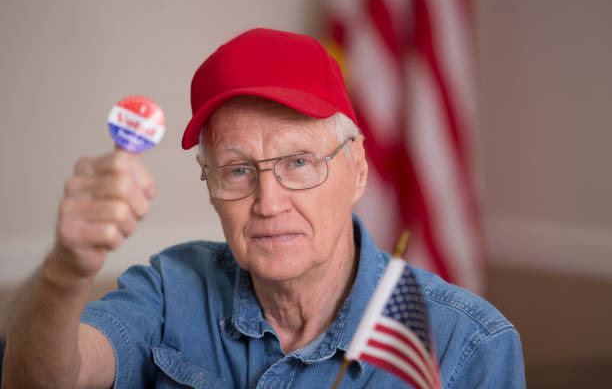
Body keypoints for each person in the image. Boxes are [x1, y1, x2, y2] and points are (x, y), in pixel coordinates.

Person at [1, 28, 525, 388]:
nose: (268, 203)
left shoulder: (469, 344)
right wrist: (66, 270)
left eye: (298, 162)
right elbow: (39, 379)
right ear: (209, 185)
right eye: (237, 170)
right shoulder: (168, 291)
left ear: (358, 169)